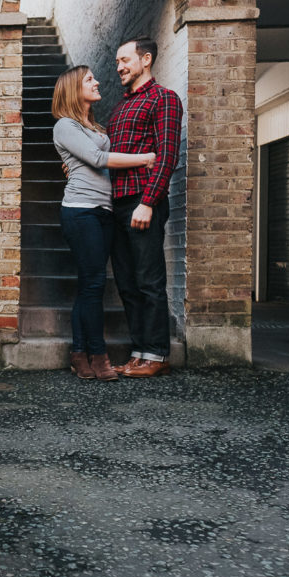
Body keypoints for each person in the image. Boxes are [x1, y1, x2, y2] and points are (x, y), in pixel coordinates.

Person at [52, 65, 156, 381]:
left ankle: (78, 354)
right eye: (89, 79)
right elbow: (98, 161)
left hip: (104, 211)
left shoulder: (95, 127)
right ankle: (98, 356)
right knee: (94, 284)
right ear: (73, 89)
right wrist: (146, 158)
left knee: (89, 284)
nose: (97, 82)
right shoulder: (65, 126)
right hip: (80, 211)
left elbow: (98, 162)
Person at [106, 37, 183, 378]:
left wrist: (148, 203)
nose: (119, 66)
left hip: (142, 201)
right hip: (117, 204)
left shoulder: (163, 99)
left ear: (146, 59)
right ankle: (139, 352)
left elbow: (166, 155)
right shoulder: (121, 107)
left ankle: (157, 355)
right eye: (118, 61)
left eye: (125, 60)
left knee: (149, 281)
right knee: (127, 282)